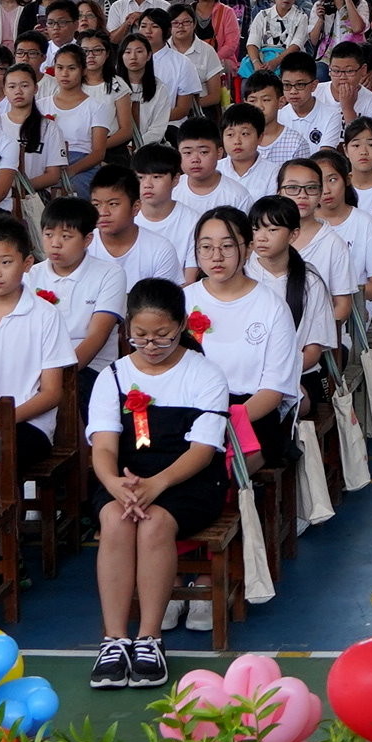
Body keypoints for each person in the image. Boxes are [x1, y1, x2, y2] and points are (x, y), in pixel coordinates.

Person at [86, 278, 237, 690]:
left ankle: (150, 638)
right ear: (127, 330)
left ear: (182, 325)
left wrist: (156, 485)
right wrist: (116, 485)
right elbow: (102, 448)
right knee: (116, 521)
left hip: (188, 479)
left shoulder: (205, 374)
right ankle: (114, 640)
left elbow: (203, 451)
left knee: (153, 523)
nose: (150, 346)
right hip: (126, 479)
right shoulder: (112, 377)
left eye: (162, 336)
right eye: (140, 336)